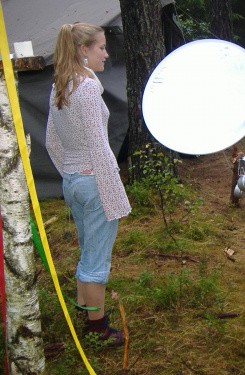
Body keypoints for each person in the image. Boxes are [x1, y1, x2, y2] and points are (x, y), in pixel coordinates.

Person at [46, 22, 131, 347]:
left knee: (87, 252)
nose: (106, 54)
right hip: (93, 181)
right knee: (96, 261)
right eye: (101, 47)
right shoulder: (86, 87)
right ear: (83, 50)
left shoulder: (59, 85)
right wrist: (114, 193)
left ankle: (87, 315)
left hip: (74, 181)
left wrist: (71, 173)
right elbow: (98, 145)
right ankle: (97, 330)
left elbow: (52, 141)